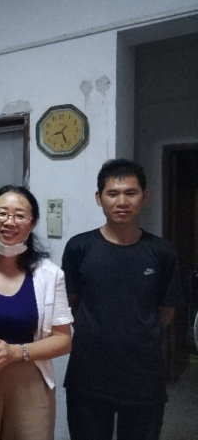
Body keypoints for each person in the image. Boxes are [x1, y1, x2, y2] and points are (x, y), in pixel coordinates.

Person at [62, 158, 183, 440]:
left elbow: (166, 311)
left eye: (131, 193)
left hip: (144, 376)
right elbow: (71, 303)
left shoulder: (162, 252)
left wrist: (138, 334)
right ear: (99, 198)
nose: (122, 202)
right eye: (113, 193)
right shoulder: (79, 247)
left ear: (145, 196)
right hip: (88, 375)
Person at [0, 185, 72, 440]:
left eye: (20, 215)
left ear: (32, 223)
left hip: (28, 379)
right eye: (2, 213)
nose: (9, 222)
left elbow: (63, 339)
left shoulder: (49, 274)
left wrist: (15, 352)